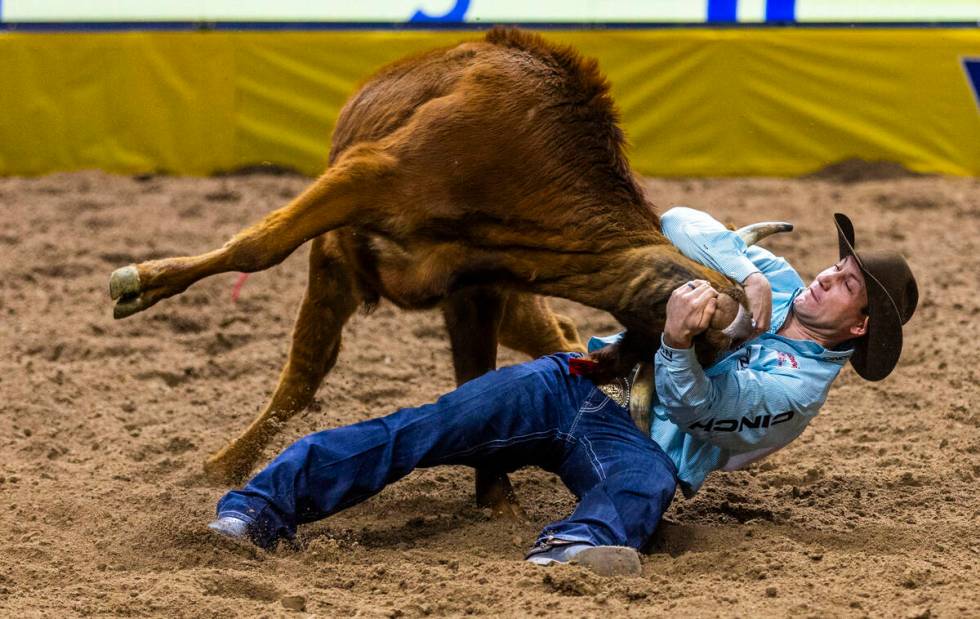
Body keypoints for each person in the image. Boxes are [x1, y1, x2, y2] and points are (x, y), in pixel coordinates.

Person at [207, 208, 918, 575]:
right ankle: (258, 506)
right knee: (422, 427)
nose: (829, 275)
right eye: (840, 263)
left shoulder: (794, 393)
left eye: (849, 283)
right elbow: (678, 223)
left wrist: (674, 342)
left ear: (857, 326)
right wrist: (746, 269)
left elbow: (701, 408)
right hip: (574, 380)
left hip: (636, 437)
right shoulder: (783, 281)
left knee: (645, 480)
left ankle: (579, 542)